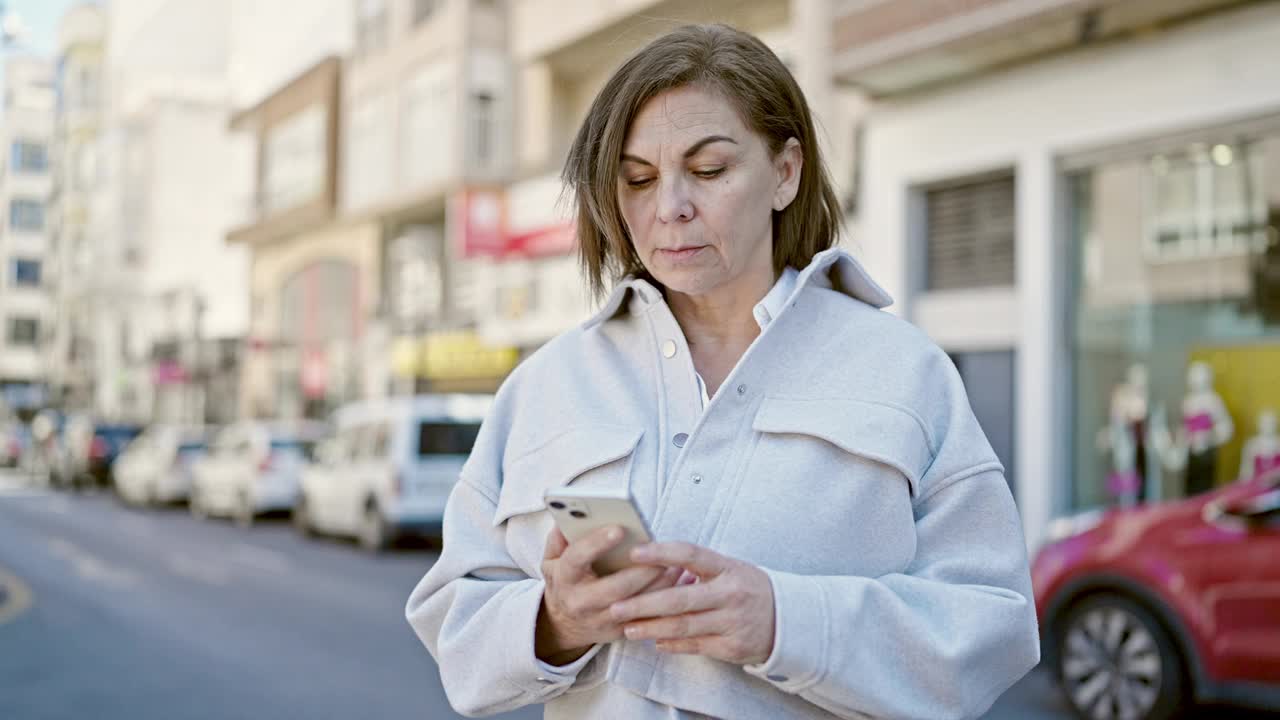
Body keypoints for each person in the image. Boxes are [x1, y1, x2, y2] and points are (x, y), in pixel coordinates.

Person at [407, 24, 1038, 719]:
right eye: (638, 179)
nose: (670, 207)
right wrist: (557, 621)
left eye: (708, 170)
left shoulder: (905, 373)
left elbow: (993, 627)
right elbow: (453, 621)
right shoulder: (547, 384)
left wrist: (784, 622)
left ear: (785, 172)